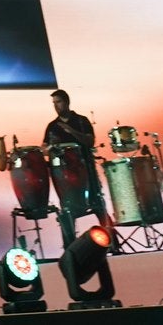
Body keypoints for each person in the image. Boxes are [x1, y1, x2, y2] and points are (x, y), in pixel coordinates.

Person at [43, 89, 113, 234]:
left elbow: (90, 141)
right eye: (54, 103)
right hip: (63, 175)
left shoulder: (81, 121)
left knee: (98, 205)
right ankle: (70, 244)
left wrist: (71, 130)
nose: (56, 106)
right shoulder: (52, 126)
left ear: (67, 102)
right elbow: (43, 149)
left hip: (85, 170)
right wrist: (50, 146)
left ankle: (111, 239)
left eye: (58, 102)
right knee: (68, 211)